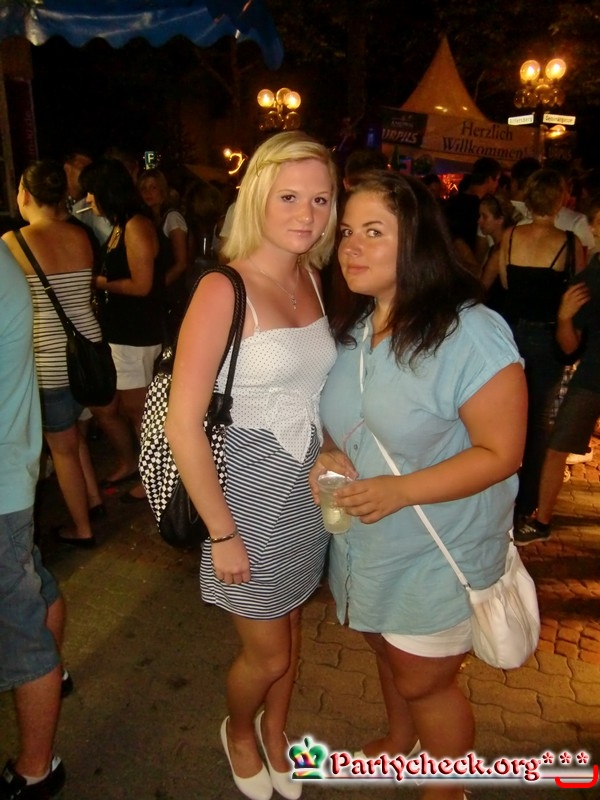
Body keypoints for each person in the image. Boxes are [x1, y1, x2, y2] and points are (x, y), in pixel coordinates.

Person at [310, 170, 526, 800]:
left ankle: (446, 787)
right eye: (347, 232)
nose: (351, 246)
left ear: (418, 242)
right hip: (368, 544)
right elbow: (350, 418)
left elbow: (502, 453)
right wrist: (328, 451)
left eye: (374, 232)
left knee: (424, 681)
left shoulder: (470, 332)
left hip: (438, 547)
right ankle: (403, 737)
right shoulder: (357, 327)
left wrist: (401, 491)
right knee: (388, 651)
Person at [164, 131, 338, 800]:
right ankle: (239, 729)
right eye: (289, 197)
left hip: (304, 493)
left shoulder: (310, 277)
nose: (307, 214)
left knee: (291, 625)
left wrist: (328, 446)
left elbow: (313, 388)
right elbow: (183, 423)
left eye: (320, 199)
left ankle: (277, 728)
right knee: (266, 653)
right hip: (245, 499)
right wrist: (222, 532)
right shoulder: (222, 288)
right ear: (258, 196)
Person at [2, 160, 106, 547]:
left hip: (50, 361)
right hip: (88, 354)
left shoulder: (13, 242)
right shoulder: (79, 235)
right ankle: (94, 500)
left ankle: (82, 528)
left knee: (61, 449)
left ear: (25, 194)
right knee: (75, 436)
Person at [0, 240, 66, 799]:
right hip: (11, 469)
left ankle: (35, 770)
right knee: (32, 586)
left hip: (4, 479)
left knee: (18, 632)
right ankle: (53, 674)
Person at [498, 168, 585, 523]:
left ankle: (496, 493)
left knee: (504, 416)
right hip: (547, 338)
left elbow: (505, 284)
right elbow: (576, 296)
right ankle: (525, 504)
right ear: (560, 200)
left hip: (509, 334)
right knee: (538, 423)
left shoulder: (510, 236)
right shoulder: (569, 243)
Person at [81, 158, 164, 503]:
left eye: (91, 192)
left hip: (136, 333)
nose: (88, 199)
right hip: (121, 332)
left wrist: (100, 283)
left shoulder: (136, 225)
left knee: (139, 410)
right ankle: (136, 465)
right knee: (125, 408)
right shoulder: (120, 224)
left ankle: (154, 477)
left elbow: (142, 285)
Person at [516, 254, 600, 544]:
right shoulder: (588, 280)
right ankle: (541, 523)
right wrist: (564, 317)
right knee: (557, 446)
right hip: (592, 375)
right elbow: (569, 348)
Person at [138, 167, 189, 336]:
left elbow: (181, 263)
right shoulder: (149, 220)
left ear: (163, 190)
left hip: (172, 295)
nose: (148, 193)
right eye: (143, 188)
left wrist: (157, 288)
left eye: (153, 187)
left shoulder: (172, 218)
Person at [444, 156, 502, 275]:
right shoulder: (479, 206)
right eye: (496, 180)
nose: (497, 184)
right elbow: (457, 239)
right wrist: (475, 267)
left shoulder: (453, 202)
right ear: (489, 179)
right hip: (464, 271)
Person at [479, 193, 514, 315]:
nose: (479, 221)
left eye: (484, 217)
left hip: (498, 313)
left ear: (499, 220)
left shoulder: (499, 252)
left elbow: (482, 288)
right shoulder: (495, 247)